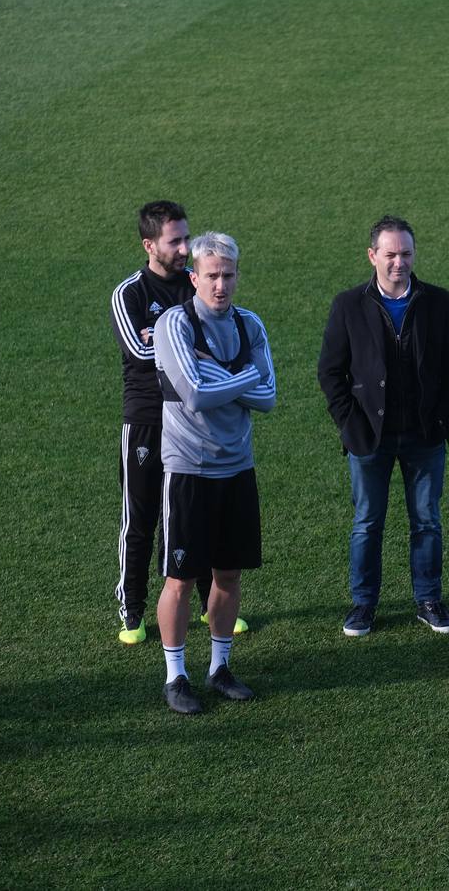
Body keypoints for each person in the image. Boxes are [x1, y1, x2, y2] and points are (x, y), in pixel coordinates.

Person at [318, 216, 449, 637]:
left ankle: (428, 599)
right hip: (370, 439)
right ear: (372, 256)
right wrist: (350, 425)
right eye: (390, 254)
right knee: (368, 522)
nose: (399, 262)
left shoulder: (437, 301)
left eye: (406, 253)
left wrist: (442, 422)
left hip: (424, 436)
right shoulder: (348, 305)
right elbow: (330, 373)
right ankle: (363, 605)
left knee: (427, 521)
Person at [109, 201, 245, 644]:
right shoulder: (129, 293)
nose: (186, 247)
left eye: (187, 237)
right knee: (142, 516)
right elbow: (143, 352)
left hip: (192, 421)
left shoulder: (196, 283)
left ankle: (210, 606)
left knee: (194, 515)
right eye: (175, 241)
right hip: (147, 421)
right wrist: (185, 349)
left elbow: (216, 343)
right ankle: (132, 610)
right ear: (150, 245)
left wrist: (181, 347)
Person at [151, 232, 276, 714]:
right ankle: (176, 676)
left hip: (237, 468)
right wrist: (243, 377)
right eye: (211, 276)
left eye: (228, 276)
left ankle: (219, 667)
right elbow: (195, 395)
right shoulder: (173, 324)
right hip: (188, 469)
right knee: (180, 579)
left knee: (229, 574)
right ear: (193, 277)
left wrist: (219, 373)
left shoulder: (250, 324)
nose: (220, 285)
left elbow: (268, 398)